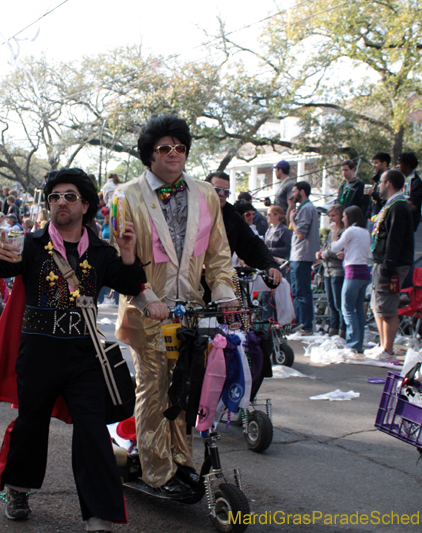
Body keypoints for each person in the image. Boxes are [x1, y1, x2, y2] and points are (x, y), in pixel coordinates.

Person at [0, 168, 146, 531]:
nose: (61, 202)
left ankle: (99, 513)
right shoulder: (31, 245)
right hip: (38, 354)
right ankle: (18, 489)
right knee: (31, 425)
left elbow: (130, 284)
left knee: (93, 430)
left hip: (84, 356)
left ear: (85, 205)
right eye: (55, 197)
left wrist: (127, 253)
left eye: (70, 196)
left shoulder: (101, 251)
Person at [114, 114, 237, 496]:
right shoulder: (125, 197)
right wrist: (145, 296)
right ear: (149, 155)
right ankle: (157, 471)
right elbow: (120, 259)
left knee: (185, 388)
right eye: (164, 148)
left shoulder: (206, 195)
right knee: (154, 389)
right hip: (146, 311)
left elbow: (219, 254)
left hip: (192, 312)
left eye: (180, 147)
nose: (174, 154)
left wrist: (225, 294)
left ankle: (182, 461)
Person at [365, 170, 414, 361]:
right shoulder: (389, 205)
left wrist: (387, 268)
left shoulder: (399, 207)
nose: (378, 186)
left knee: (387, 306)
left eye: (381, 182)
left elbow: (395, 240)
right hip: (381, 262)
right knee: (378, 305)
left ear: (389, 183)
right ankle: (382, 345)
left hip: (391, 265)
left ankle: (388, 350)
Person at [331, 206, 372, 352]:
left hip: (352, 272)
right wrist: (346, 254)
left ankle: (353, 343)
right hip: (364, 271)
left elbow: (335, 247)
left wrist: (334, 232)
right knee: (358, 309)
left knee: (347, 308)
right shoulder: (365, 232)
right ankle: (358, 343)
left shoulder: (350, 231)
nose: (342, 219)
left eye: (344, 216)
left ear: (350, 217)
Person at [288, 180, 320, 334]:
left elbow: (300, 233)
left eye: (294, 191)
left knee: (301, 292)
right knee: (297, 292)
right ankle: (300, 324)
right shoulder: (303, 208)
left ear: (302, 192)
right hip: (298, 255)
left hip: (301, 255)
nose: (292, 194)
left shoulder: (307, 208)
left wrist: (292, 220)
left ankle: (305, 325)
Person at [317, 203, 345, 337]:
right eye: (329, 216)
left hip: (338, 270)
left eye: (334, 215)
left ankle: (342, 329)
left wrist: (325, 253)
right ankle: (333, 328)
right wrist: (321, 253)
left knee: (339, 302)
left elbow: (336, 251)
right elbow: (327, 248)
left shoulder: (343, 232)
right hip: (327, 270)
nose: (331, 218)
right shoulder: (330, 233)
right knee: (331, 303)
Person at [396, 152, 422, 231]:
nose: (397, 166)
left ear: (407, 165)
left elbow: (413, 205)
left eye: (399, 163)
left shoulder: (416, 183)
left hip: (409, 223)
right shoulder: (400, 180)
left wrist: (396, 198)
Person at [366, 152, 391, 217]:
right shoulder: (376, 179)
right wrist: (368, 214)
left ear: (384, 163)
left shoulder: (391, 178)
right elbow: (371, 200)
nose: (373, 165)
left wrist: (373, 194)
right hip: (374, 215)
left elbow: (388, 198)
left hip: (385, 215)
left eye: (376, 163)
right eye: (373, 163)